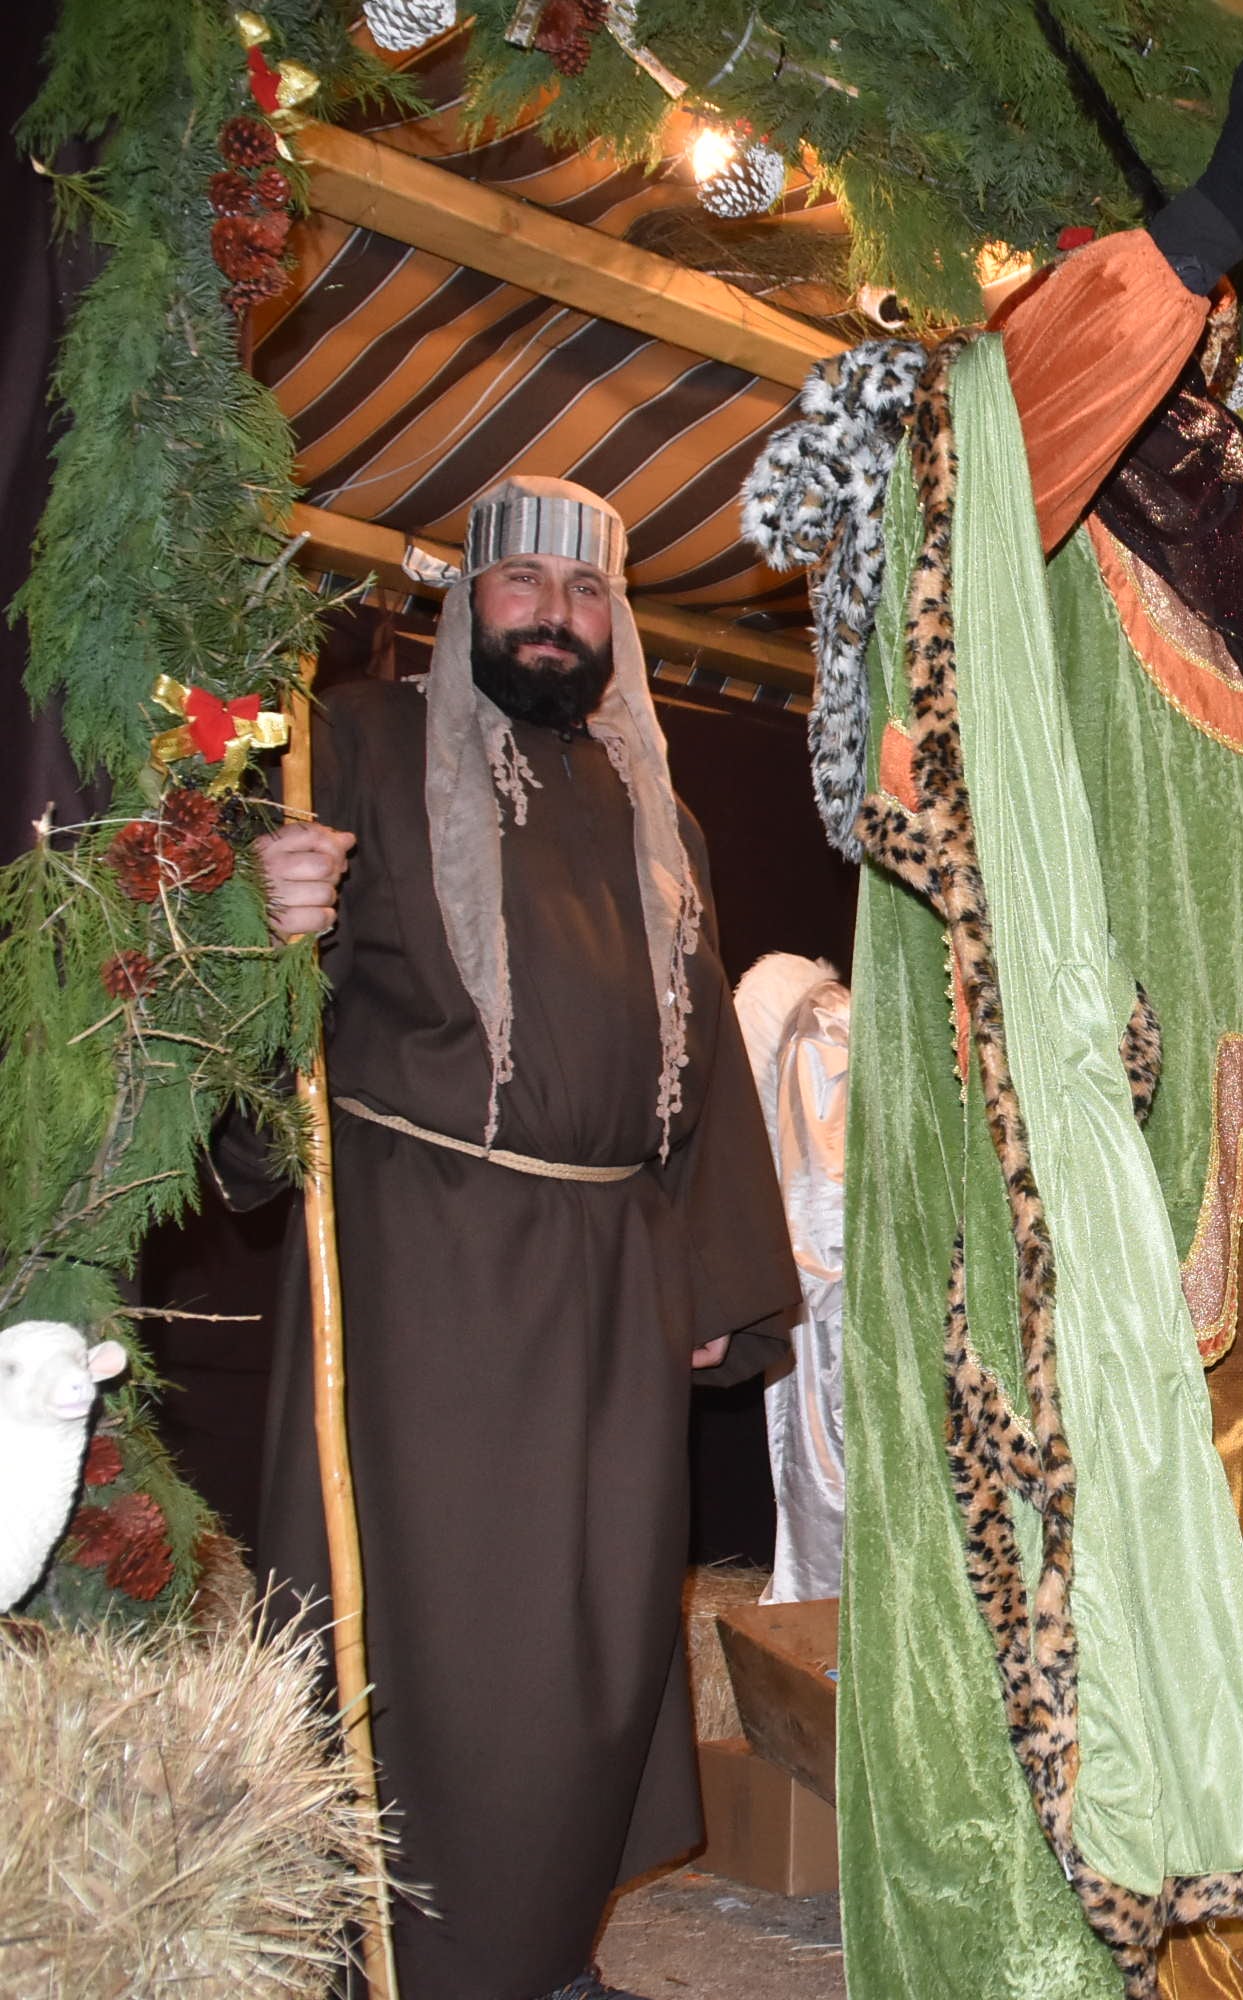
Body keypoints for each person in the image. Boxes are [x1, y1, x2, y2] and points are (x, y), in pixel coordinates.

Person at [246, 477, 801, 2000]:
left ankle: (547, 1951)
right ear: (465, 599)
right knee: (434, 1638)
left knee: (601, 1636)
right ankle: (395, 1962)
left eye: (587, 592)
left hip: (617, 1269)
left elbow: (699, 1069)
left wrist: (718, 1279)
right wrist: (263, 923)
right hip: (424, 1257)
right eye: (524, 585)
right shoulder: (352, 740)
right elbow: (247, 1044)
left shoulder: (660, 808)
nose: (556, 615)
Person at [731, 952, 851, 1606]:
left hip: (831, 1316)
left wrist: (763, 1302)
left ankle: (826, 1651)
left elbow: (821, 1203)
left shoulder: (815, 1026)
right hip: (840, 1301)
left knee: (829, 1474)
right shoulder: (826, 1015)